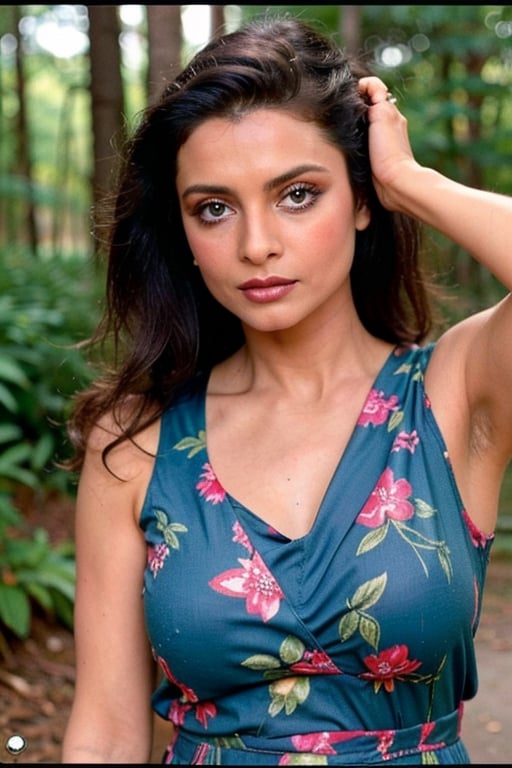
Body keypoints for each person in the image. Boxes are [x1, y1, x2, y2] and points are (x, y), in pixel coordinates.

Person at [60, 14, 512, 765]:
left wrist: (412, 180)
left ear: (363, 202)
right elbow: (105, 732)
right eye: (214, 208)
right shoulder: (138, 437)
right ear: (185, 235)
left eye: (297, 194)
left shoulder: (453, 392)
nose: (256, 244)